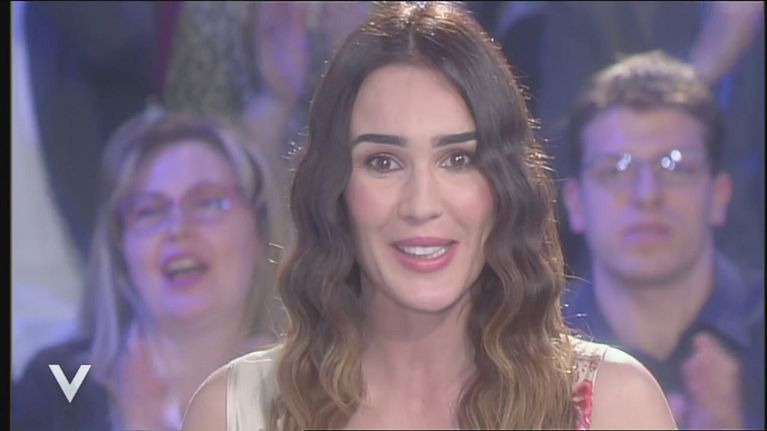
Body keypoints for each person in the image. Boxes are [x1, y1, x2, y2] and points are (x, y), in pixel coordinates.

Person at [182, 3, 676, 430]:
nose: (421, 204)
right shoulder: (237, 412)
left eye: (458, 159)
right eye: (383, 162)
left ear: (504, 185)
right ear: (336, 188)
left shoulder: (613, 407)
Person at [12, 107, 286, 431]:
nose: (177, 229)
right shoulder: (54, 390)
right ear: (121, 249)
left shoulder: (309, 385)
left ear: (259, 232)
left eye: (208, 202)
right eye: (149, 211)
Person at [561, 51, 765, 429]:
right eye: (616, 169)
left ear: (719, 195)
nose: (647, 194)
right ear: (575, 203)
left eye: (675, 166)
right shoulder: (524, 344)